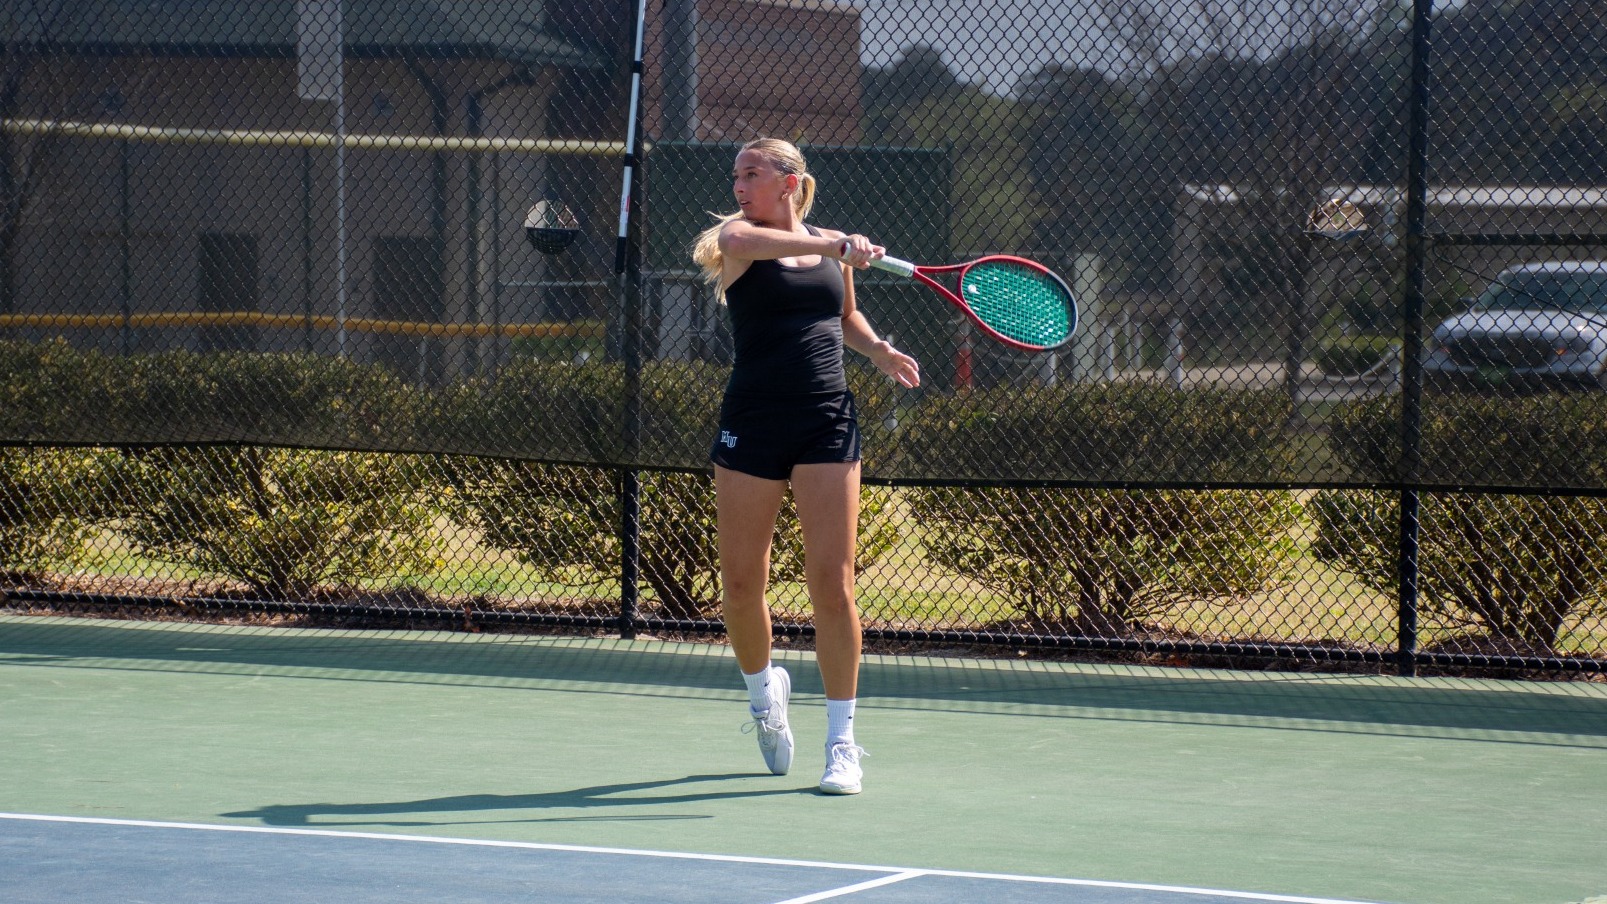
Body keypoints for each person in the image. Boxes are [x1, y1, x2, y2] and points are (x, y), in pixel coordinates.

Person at [691, 138, 920, 795]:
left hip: (825, 416)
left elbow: (842, 313)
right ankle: (765, 695)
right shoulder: (738, 239)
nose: (739, 185)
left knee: (833, 582)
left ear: (789, 181)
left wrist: (878, 350)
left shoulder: (828, 244)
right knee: (739, 585)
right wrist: (837, 246)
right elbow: (740, 247)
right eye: (736, 175)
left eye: (752, 174)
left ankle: (841, 744)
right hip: (753, 419)